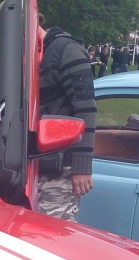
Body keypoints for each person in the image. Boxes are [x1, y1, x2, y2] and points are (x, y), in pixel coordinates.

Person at [35, 22, 96, 221]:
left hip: (61, 167)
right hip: (32, 164)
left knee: (53, 233)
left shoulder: (67, 51)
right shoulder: (27, 56)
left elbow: (86, 109)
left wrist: (81, 167)